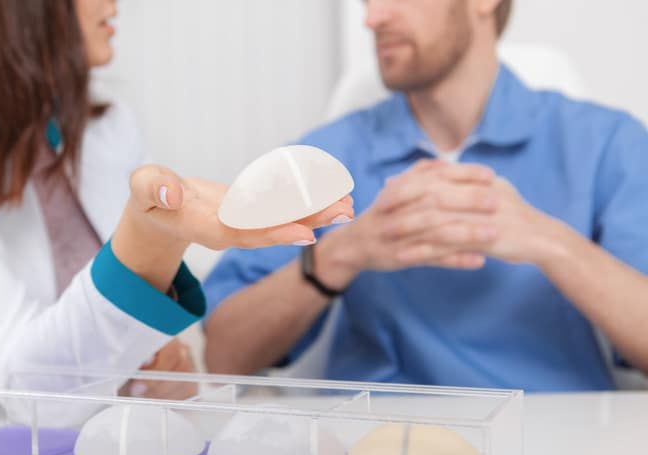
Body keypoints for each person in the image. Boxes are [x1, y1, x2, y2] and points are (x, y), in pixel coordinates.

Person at [0, 0, 353, 400]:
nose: (117, 4)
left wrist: (167, 369)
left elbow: (109, 345)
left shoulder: (103, 131)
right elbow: (29, 387)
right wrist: (151, 237)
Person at [203, 0, 648, 391]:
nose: (373, 18)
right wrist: (343, 253)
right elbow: (223, 354)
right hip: (373, 446)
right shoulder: (326, 158)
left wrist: (551, 244)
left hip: (558, 441)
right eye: (367, 1)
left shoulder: (606, 145)